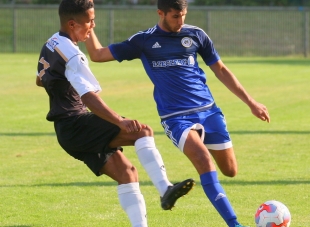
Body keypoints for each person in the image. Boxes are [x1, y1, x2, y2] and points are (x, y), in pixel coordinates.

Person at [84, 0, 270, 226]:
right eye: (175, 16)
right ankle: (234, 223)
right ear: (160, 13)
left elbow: (220, 69)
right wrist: (89, 26)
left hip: (209, 112)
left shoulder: (196, 35)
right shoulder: (143, 40)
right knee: (203, 160)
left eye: (183, 15)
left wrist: (251, 102)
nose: (180, 21)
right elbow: (98, 54)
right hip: (176, 118)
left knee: (230, 170)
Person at [35, 0, 195, 226]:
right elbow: (89, 97)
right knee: (141, 131)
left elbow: (40, 80)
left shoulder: (51, 43)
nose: (93, 25)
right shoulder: (73, 55)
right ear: (72, 24)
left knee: (127, 173)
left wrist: (62, 86)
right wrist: (119, 121)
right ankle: (165, 189)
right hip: (76, 124)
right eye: (90, 21)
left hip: (66, 131)